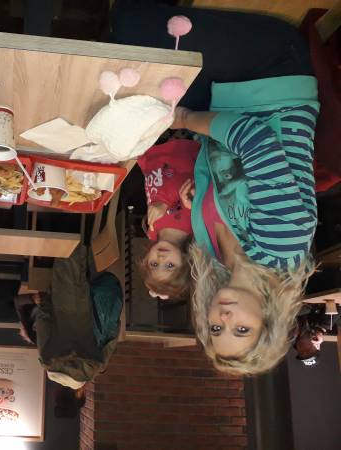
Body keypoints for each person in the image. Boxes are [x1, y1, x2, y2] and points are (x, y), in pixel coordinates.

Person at [112, 0, 318, 375]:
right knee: (132, 31)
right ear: (269, 321)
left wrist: (196, 198)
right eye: (242, 329)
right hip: (271, 78)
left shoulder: (216, 258)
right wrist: (185, 118)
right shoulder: (282, 248)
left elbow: (219, 169)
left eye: (216, 329)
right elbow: (255, 140)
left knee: (132, 83)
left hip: (226, 100)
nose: (224, 318)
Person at [16, 245, 123, 390]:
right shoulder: (48, 358)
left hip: (99, 292)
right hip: (66, 294)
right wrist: (48, 300)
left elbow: (113, 334)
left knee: (95, 247)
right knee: (70, 247)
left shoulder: (97, 365)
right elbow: (43, 321)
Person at [137, 139, 199, 300]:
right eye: (170, 265)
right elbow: (188, 181)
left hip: (150, 151)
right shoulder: (194, 223)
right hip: (179, 142)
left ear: (146, 259)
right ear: (185, 261)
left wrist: (144, 161)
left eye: (154, 264)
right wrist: (164, 203)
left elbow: (152, 188)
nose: (161, 259)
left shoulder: (152, 233)